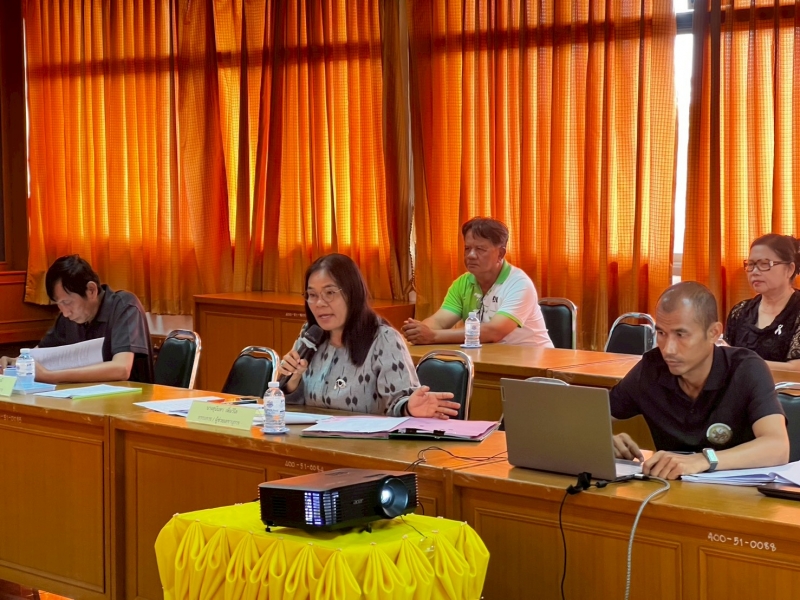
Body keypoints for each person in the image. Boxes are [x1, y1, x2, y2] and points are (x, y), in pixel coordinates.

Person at [611, 281, 789, 480]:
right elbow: (593, 416)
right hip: (672, 490)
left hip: (740, 493)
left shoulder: (746, 369)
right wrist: (602, 438)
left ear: (713, 333)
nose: (668, 349)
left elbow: (778, 447)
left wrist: (704, 460)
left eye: (681, 335)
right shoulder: (651, 368)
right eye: (661, 333)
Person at [277, 253, 460, 418]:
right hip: (313, 440)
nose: (319, 303)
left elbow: (400, 401)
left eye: (330, 293)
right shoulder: (310, 336)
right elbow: (291, 410)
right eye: (312, 295)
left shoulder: (384, 339)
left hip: (362, 442)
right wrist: (292, 382)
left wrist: (409, 408)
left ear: (352, 293)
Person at [0, 255, 154, 384]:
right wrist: (15, 363)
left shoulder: (124, 306)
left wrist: (50, 376)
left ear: (91, 290)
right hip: (85, 400)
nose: (65, 312)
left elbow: (121, 369)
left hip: (131, 402)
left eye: (67, 302)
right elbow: (38, 354)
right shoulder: (68, 318)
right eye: (59, 304)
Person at [401, 217, 553, 347]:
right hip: (490, 359)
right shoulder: (462, 283)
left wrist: (433, 336)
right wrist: (418, 332)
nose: (471, 255)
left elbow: (494, 332)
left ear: (500, 253)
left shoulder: (519, 284)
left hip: (534, 363)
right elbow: (439, 322)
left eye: (480, 249)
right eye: (467, 248)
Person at [724, 233, 800, 370]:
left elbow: (796, 369)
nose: (754, 272)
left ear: (789, 269)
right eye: (751, 264)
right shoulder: (740, 311)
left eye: (764, 264)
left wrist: (742, 362)